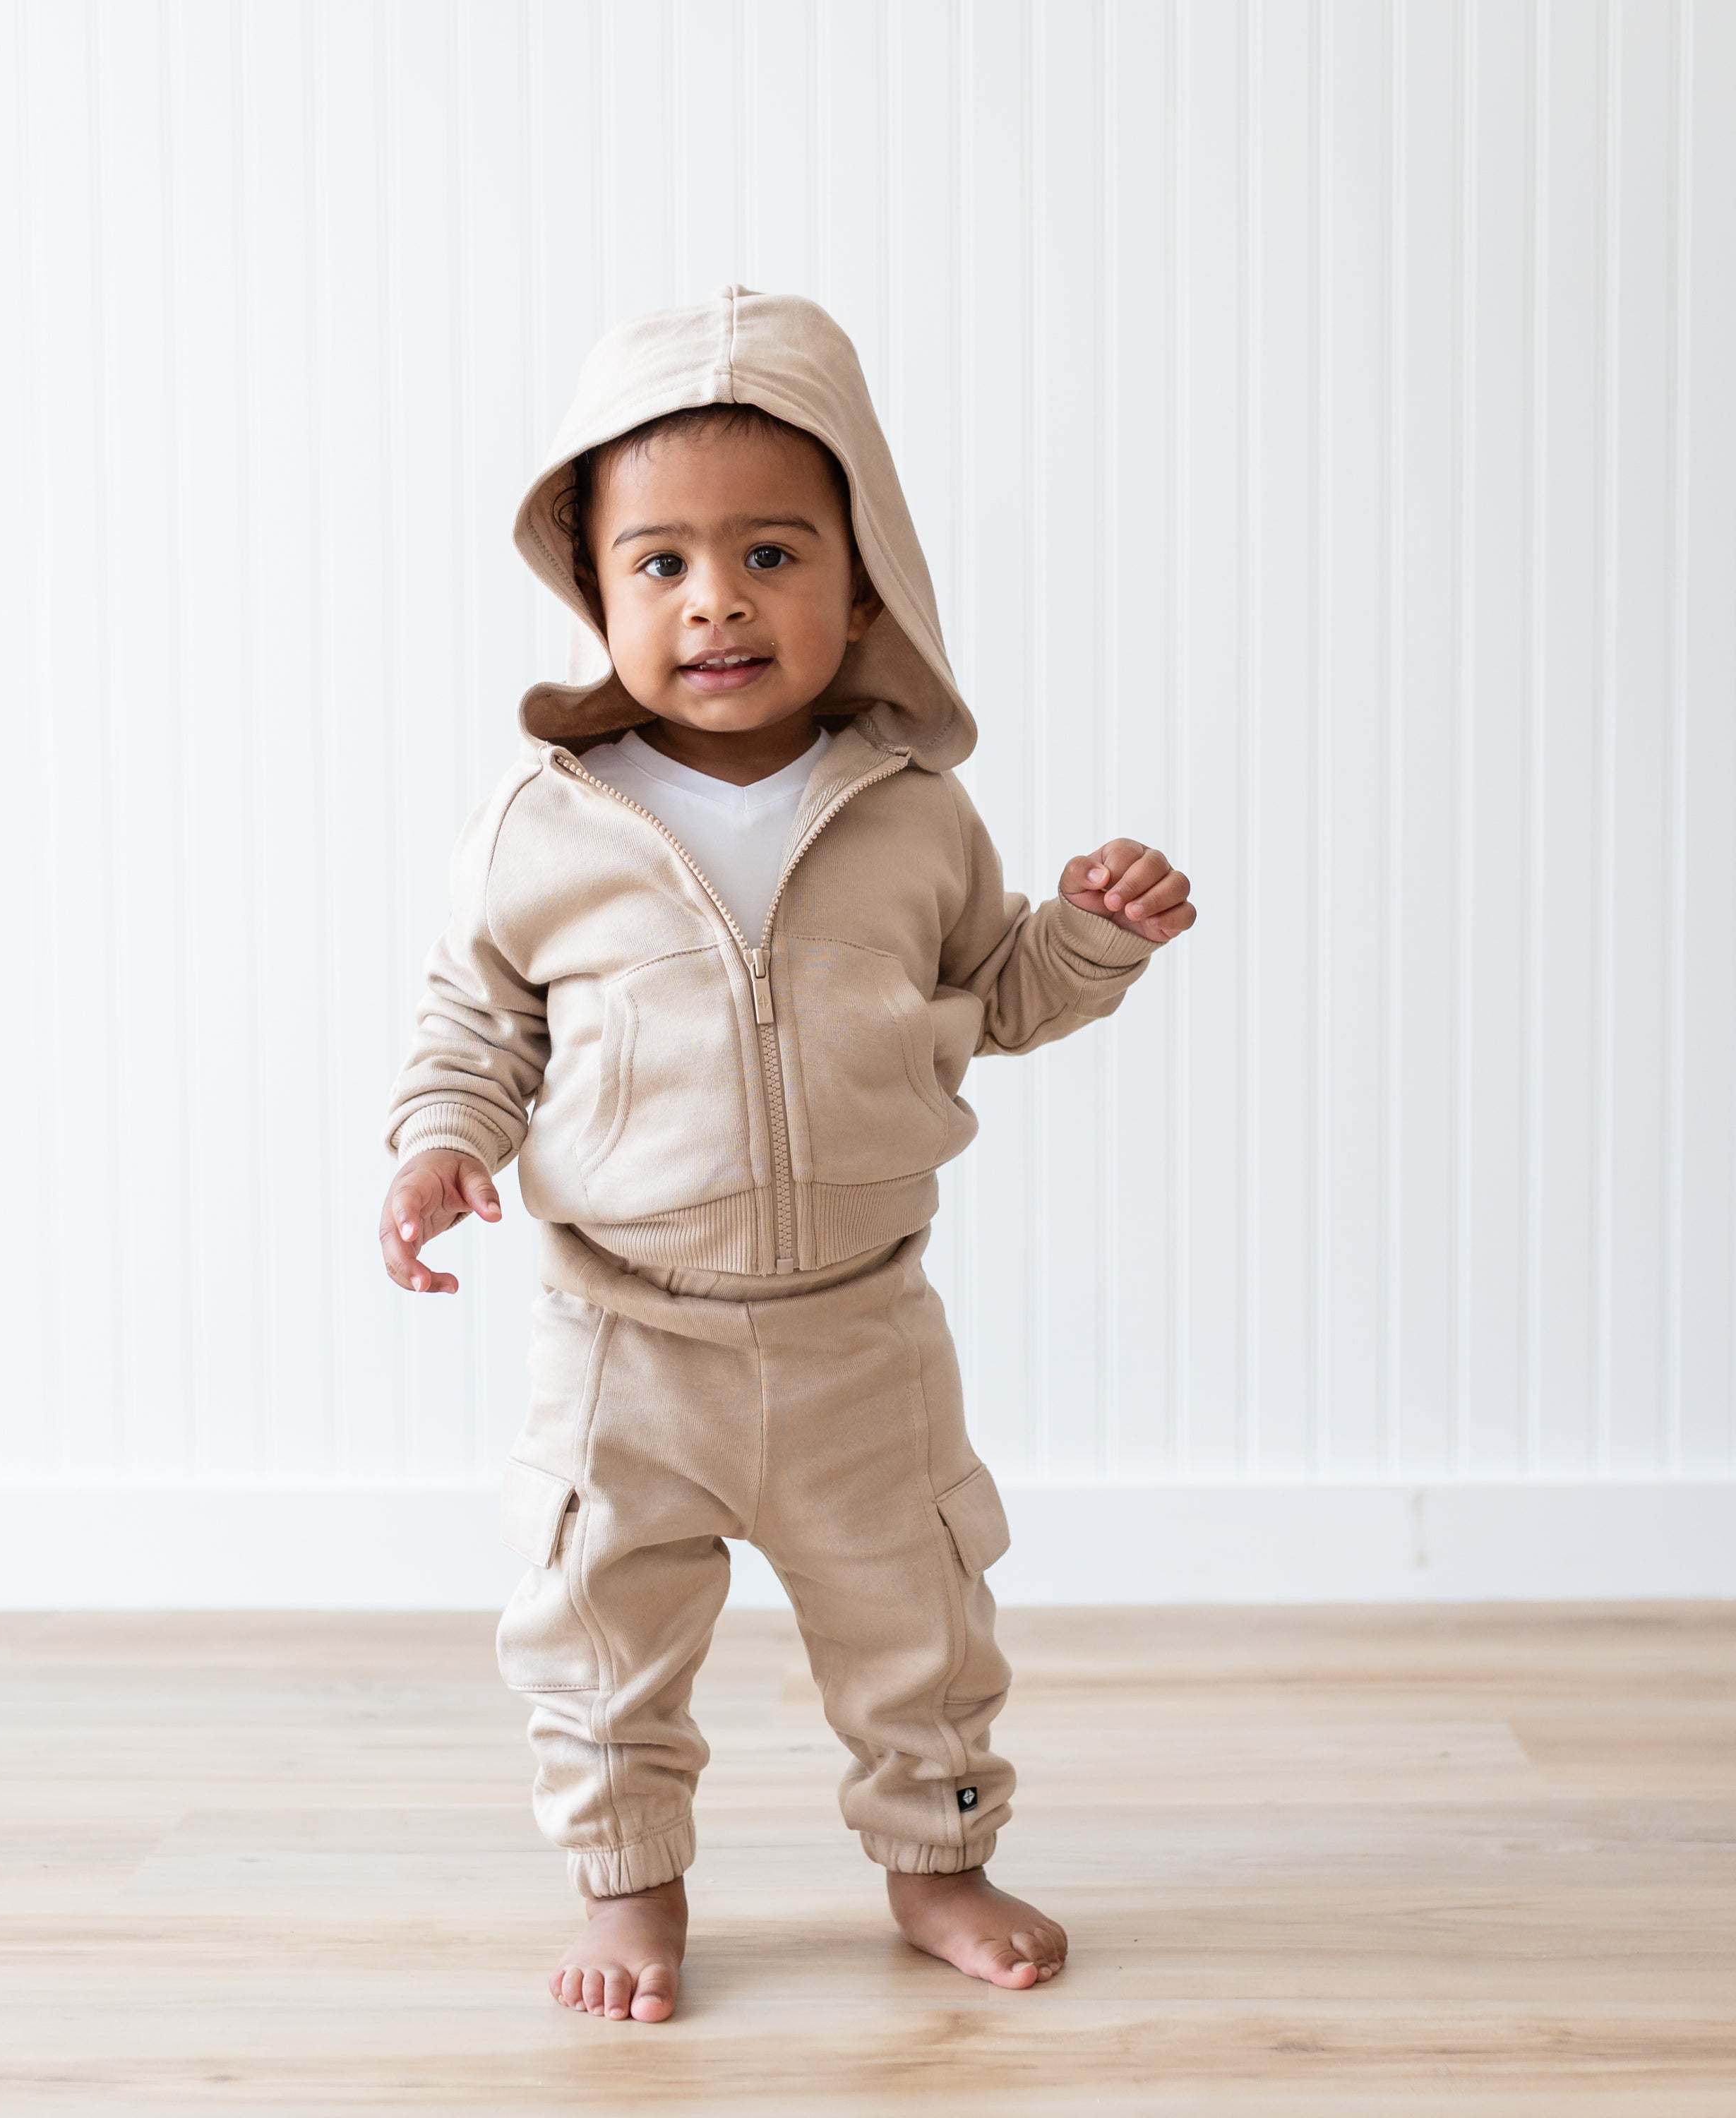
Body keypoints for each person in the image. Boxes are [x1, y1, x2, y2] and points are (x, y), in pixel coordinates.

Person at [382, 287, 1196, 2023]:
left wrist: (1093, 936)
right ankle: (632, 1896)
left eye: (771, 551)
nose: (718, 601)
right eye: (661, 564)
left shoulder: (911, 813)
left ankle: (938, 1863)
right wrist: (443, 1142)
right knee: (596, 1633)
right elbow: (475, 1031)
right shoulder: (546, 824)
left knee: (921, 1628)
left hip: (858, 1333)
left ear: (861, 575)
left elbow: (999, 995)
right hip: (625, 1339)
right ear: (594, 593)